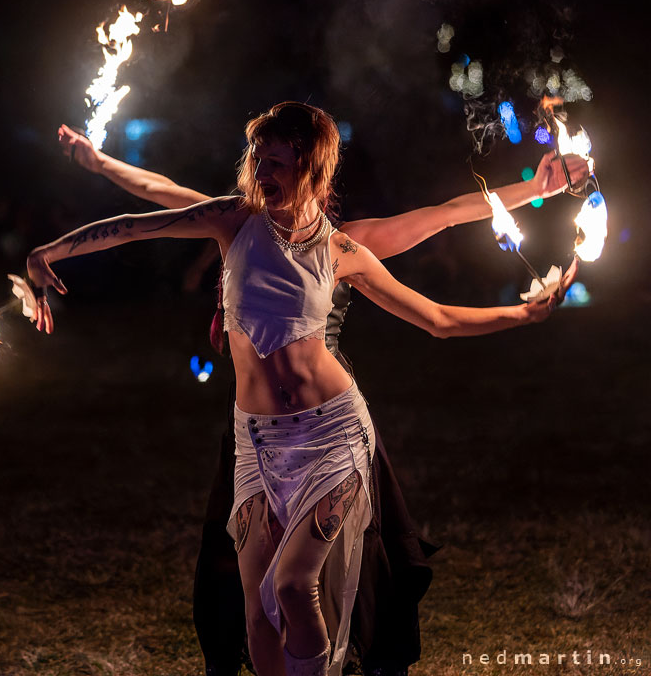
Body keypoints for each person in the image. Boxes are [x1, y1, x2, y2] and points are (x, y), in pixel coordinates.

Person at [30, 102, 580, 676]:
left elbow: (443, 220)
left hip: (328, 426)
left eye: (277, 162)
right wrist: (97, 164)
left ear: (312, 170)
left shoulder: (350, 244)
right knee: (252, 597)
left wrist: (530, 195)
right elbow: (156, 195)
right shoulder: (239, 218)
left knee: (321, 580)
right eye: (257, 160)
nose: (262, 172)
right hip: (255, 432)